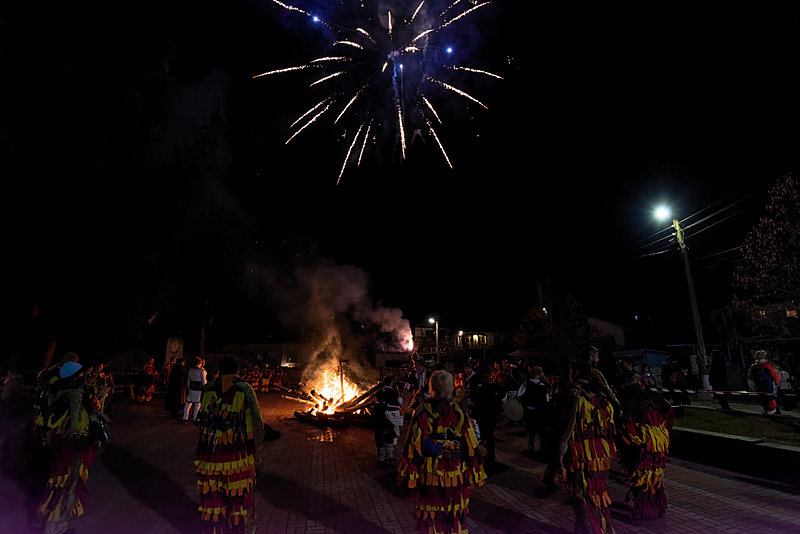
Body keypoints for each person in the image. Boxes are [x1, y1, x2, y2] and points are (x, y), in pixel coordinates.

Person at [397, 370, 486, 534]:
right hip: (454, 470)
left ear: (433, 387)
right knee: (454, 511)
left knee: (432, 511)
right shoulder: (459, 412)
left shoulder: (423, 411)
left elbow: (413, 442)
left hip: (431, 470)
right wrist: (473, 468)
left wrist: (408, 471)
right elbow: (470, 443)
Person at [194, 356, 265, 534]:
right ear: (237, 371)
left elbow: (204, 419)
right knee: (238, 498)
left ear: (220, 370)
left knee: (213, 499)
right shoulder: (244, 389)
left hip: (210, 456)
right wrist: (258, 449)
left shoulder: (208, 388)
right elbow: (255, 422)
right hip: (237, 456)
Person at [36, 359, 100, 534]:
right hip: (71, 449)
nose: (84, 377)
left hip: (59, 448)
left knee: (58, 487)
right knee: (66, 490)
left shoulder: (57, 392)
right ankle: (55, 528)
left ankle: (55, 526)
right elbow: (76, 426)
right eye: (80, 375)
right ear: (73, 378)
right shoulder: (75, 395)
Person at [558, 359, 618, 534]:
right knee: (599, 490)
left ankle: (587, 528)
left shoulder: (576, 393)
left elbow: (570, 423)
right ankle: (606, 528)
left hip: (582, 449)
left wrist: (562, 448)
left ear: (575, 373)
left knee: (578, 491)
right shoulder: (601, 394)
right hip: (601, 448)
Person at [615, 361, 674, 521]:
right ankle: (657, 506)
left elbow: (626, 419)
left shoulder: (628, 396)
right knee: (654, 475)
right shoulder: (650, 394)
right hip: (657, 441)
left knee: (640, 476)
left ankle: (646, 510)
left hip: (643, 441)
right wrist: (663, 430)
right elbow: (668, 410)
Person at [468, 367, 505, 469]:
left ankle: (482, 457)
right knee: (489, 437)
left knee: (483, 436)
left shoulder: (480, 388)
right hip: (491, 415)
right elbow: (502, 395)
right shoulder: (492, 387)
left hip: (483, 415)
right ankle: (490, 457)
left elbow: (473, 399)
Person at [373, 375, 404, 466]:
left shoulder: (379, 392)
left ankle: (381, 458)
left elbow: (377, 403)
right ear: (391, 383)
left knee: (380, 437)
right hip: (390, 418)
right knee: (389, 437)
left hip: (380, 417)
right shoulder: (394, 392)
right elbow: (400, 402)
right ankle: (388, 457)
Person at [519, 363, 550, 454]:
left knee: (530, 431)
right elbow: (547, 399)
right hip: (540, 411)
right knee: (540, 430)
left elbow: (520, 394)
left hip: (529, 410)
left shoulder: (527, 383)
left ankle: (531, 447)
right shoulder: (544, 385)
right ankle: (541, 449)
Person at [183, 357, 208, 423]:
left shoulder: (190, 370)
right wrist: (205, 388)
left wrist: (188, 388)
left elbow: (188, 380)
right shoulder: (202, 371)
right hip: (198, 390)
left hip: (191, 389)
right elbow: (204, 381)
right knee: (197, 405)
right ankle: (195, 418)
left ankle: (185, 417)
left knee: (188, 404)